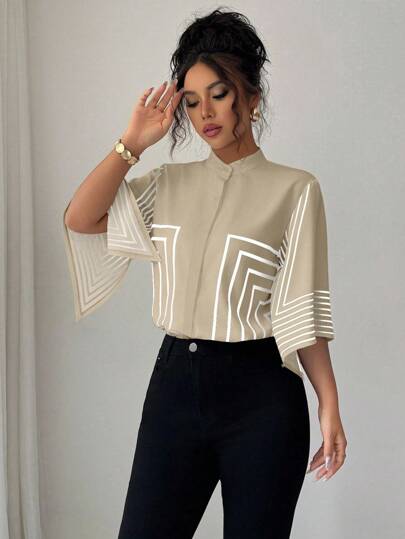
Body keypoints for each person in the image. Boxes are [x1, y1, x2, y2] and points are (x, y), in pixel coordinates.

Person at [63, 7, 347, 539]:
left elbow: (301, 307)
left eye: (218, 94)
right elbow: (81, 218)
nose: (205, 113)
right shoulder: (168, 184)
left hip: (263, 397)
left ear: (251, 97)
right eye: (192, 102)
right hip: (175, 387)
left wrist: (328, 403)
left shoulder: (295, 189)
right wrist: (132, 144)